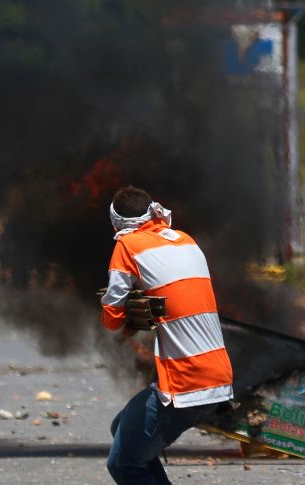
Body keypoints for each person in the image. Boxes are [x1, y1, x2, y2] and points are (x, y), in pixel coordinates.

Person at [99, 185, 234, 485]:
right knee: (121, 428)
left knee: (123, 464)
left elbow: (112, 316)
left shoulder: (128, 244)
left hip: (186, 381)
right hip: (219, 375)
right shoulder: (185, 240)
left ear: (117, 224)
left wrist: (126, 312)